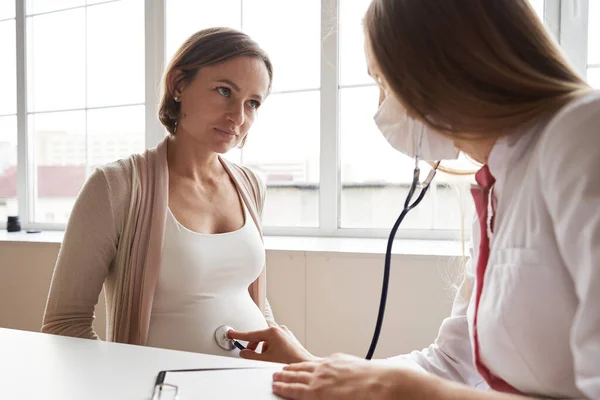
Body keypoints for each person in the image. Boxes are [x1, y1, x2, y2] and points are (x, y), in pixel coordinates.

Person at [227, 0, 600, 398]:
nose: (380, 106)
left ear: (440, 65)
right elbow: (451, 363)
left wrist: (406, 391)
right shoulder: (499, 186)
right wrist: (317, 370)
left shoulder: (581, 135)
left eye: (382, 82)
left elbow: (429, 387)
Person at [42, 27, 278, 357]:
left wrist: (284, 367)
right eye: (224, 91)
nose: (238, 117)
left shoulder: (252, 186)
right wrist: (121, 382)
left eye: (252, 103)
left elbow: (250, 300)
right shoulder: (116, 187)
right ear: (179, 85)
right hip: (156, 388)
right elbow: (64, 325)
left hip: (254, 383)